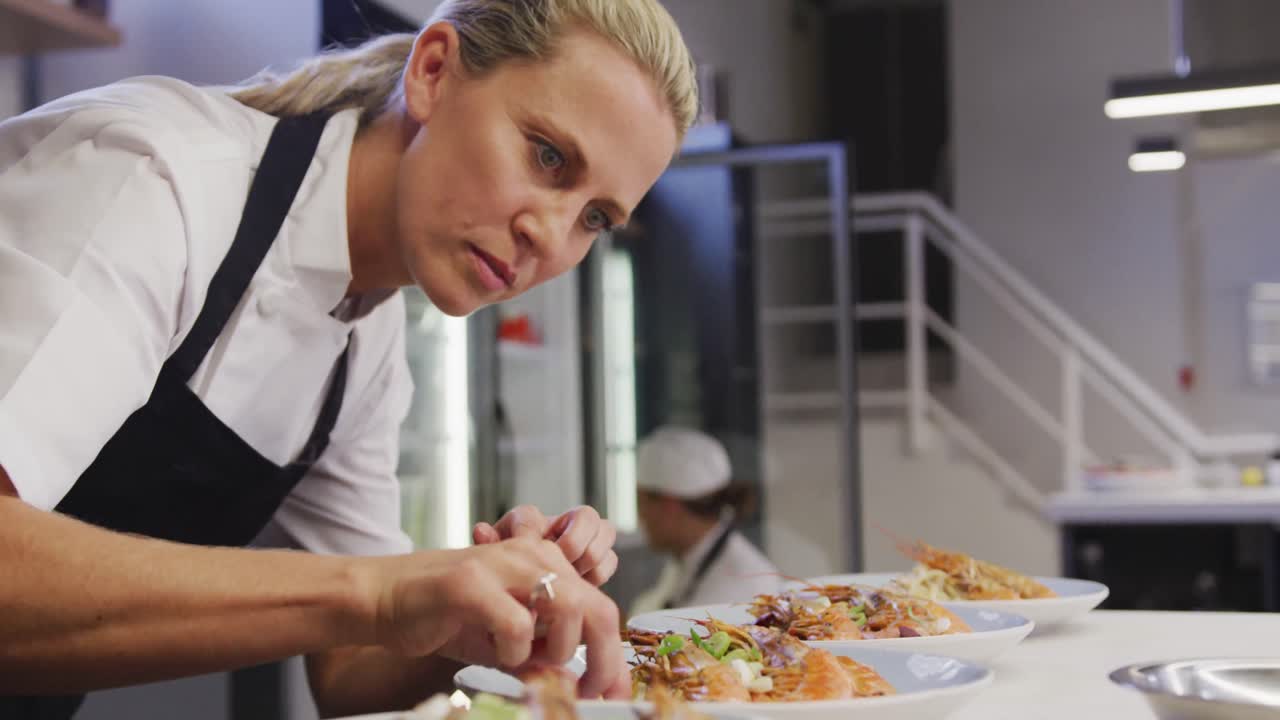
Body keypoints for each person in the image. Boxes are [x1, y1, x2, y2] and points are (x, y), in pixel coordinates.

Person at [0, 1, 697, 717]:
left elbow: (352, 671)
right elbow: (373, 606)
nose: (549, 238)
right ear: (433, 73)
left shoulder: (367, 342)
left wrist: (491, 615)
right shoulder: (156, 180)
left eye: (593, 219)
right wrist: (385, 589)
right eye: (547, 155)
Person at [629, 427, 781, 616]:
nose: (641, 517)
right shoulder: (687, 558)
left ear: (669, 506)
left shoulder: (742, 584)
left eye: (641, 502)